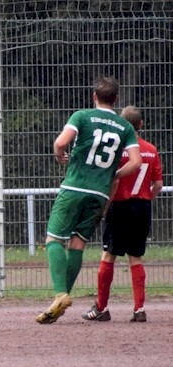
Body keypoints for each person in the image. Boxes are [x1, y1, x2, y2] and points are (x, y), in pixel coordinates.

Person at [35, 76, 141, 324]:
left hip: (74, 187)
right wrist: (113, 173)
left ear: (94, 96)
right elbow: (135, 162)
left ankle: (60, 294)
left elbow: (61, 142)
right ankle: (59, 300)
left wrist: (59, 154)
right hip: (101, 193)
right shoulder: (125, 127)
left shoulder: (82, 116)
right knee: (78, 243)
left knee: (54, 238)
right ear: (115, 99)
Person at [83, 106, 163, 323]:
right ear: (141, 125)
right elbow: (158, 184)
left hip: (120, 206)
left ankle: (101, 308)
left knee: (108, 255)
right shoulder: (151, 150)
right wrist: (146, 198)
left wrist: (104, 208)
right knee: (135, 257)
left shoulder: (118, 151)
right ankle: (139, 309)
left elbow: (114, 181)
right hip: (142, 207)